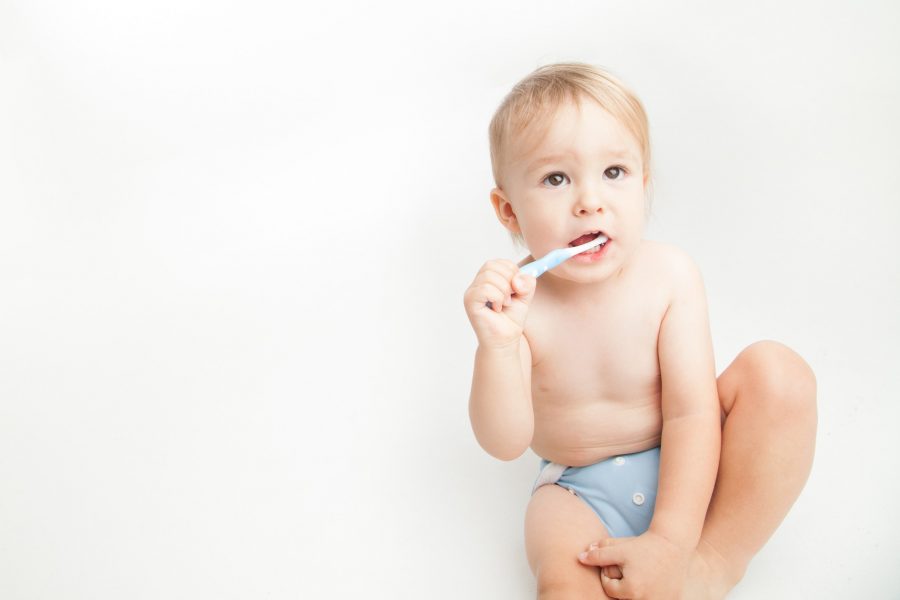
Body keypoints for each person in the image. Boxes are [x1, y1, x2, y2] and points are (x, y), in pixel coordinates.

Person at [463, 63, 817, 599]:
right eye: (556, 179)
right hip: (580, 492)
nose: (589, 200)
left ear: (644, 184)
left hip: (696, 470)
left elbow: (691, 414)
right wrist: (498, 345)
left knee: (780, 374)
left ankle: (714, 564)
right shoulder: (521, 310)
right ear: (509, 211)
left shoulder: (669, 276)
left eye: (614, 172)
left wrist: (674, 544)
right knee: (561, 583)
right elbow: (505, 442)